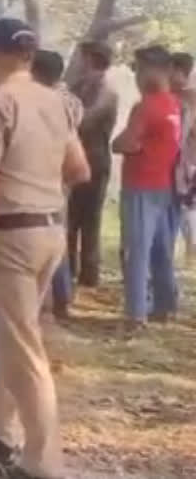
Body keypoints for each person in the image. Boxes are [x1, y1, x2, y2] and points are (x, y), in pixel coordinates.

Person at [0, 19, 89, 479]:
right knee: (17, 338)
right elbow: (79, 169)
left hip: (11, 236)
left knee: (24, 351)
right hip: (50, 231)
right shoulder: (58, 101)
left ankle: (43, 464)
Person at [114, 45, 182, 327]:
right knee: (160, 248)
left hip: (140, 183)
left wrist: (117, 143)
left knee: (135, 249)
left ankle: (136, 313)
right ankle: (166, 305)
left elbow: (124, 142)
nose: (137, 75)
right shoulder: (173, 104)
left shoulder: (146, 106)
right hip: (164, 184)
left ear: (154, 70)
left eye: (139, 69)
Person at [31, 50, 84, 319]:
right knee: (57, 234)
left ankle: (43, 299)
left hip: (44, 172)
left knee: (41, 234)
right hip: (64, 173)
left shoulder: (44, 102)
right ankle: (61, 297)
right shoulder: (72, 101)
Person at [66, 41, 119, 288]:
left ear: (91, 59)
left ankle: (89, 275)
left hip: (95, 160)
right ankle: (67, 270)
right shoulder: (80, 85)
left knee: (89, 220)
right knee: (70, 217)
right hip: (75, 158)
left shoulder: (107, 91)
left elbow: (84, 120)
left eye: (83, 57)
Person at [172, 52, 196, 264]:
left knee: (186, 205)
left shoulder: (186, 98)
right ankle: (190, 246)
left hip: (188, 162)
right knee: (187, 206)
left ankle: (191, 246)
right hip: (186, 162)